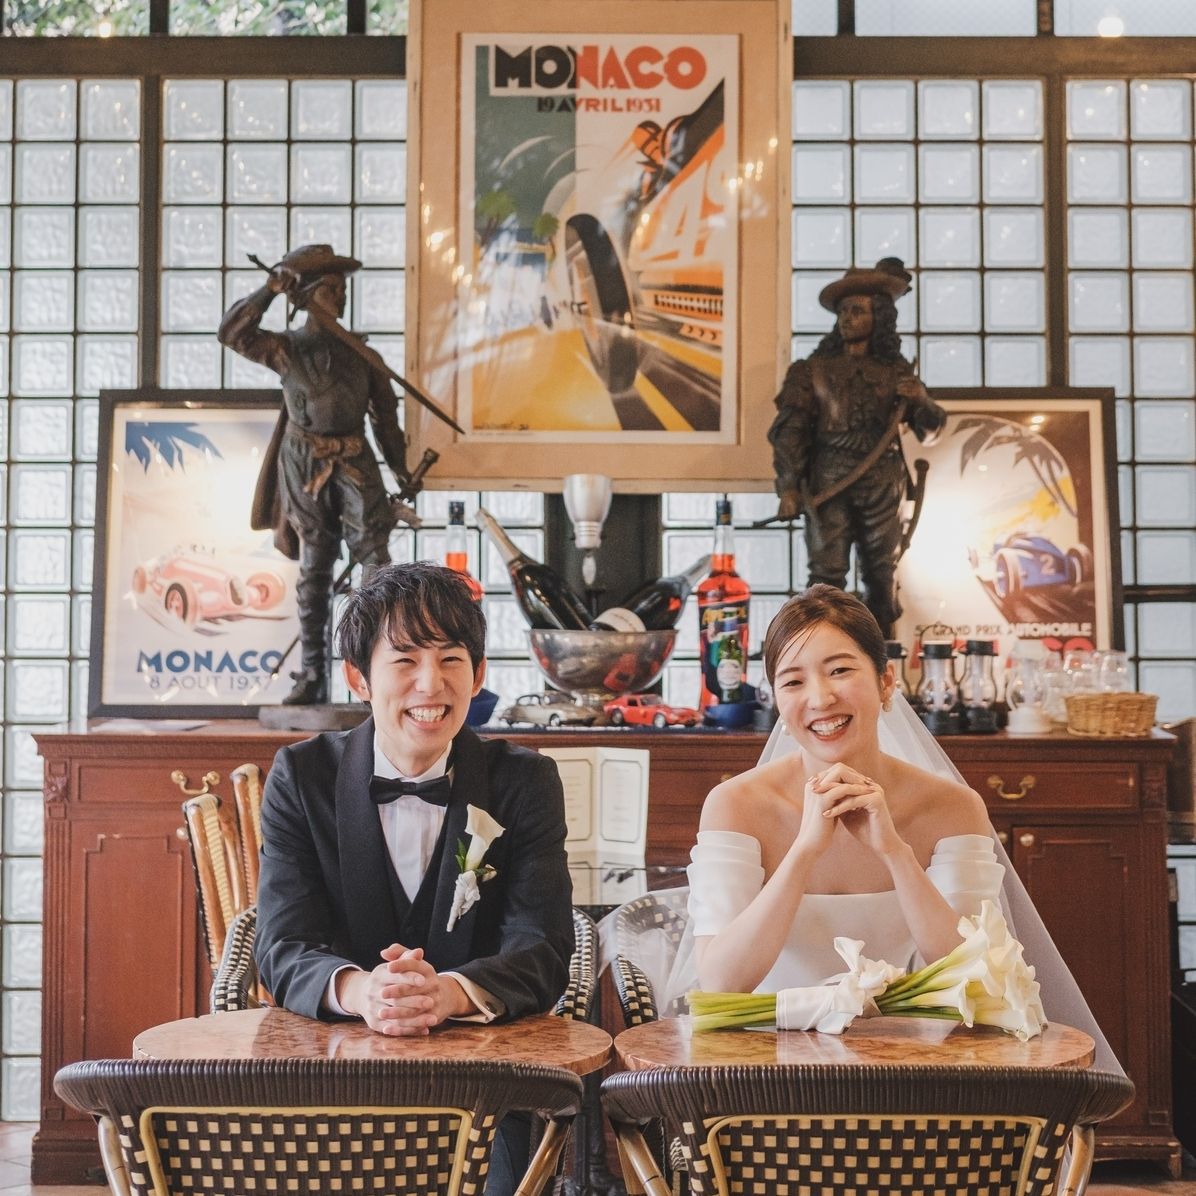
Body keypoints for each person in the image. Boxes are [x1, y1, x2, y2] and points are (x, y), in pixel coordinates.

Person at [680, 584, 1120, 1070]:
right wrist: (804, 851)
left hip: (912, 1061)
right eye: (793, 681)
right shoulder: (736, 805)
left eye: (840, 670)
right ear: (777, 701)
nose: (820, 698)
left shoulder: (953, 807)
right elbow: (721, 982)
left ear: (886, 681)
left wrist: (895, 852)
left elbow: (975, 977)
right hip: (763, 1064)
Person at [254, 561, 574, 1195]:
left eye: (451, 659)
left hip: (484, 1093)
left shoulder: (524, 782)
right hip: (332, 1083)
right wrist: (362, 991)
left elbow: (543, 948)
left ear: (478, 675)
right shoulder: (302, 777)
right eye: (404, 660)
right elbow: (281, 946)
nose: (431, 684)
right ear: (359, 678)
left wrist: (446, 994)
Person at [218, 244, 409, 705]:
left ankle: (376, 670)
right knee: (315, 565)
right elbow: (232, 333)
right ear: (306, 294)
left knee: (375, 564)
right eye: (331, 289)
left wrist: (401, 470)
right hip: (303, 463)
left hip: (356, 460)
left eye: (343, 289)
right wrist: (268, 290)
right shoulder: (285, 348)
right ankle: (312, 674)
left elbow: (386, 419)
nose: (341, 297)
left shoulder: (362, 354)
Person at [767, 258, 946, 636]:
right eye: (843, 311)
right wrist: (788, 486)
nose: (847, 318)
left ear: (878, 317)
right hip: (829, 477)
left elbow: (931, 433)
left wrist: (922, 400)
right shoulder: (810, 370)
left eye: (857, 311)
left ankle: (881, 651)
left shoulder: (897, 371)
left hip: (882, 479)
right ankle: (822, 644)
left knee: (882, 573)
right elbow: (789, 431)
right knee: (826, 574)